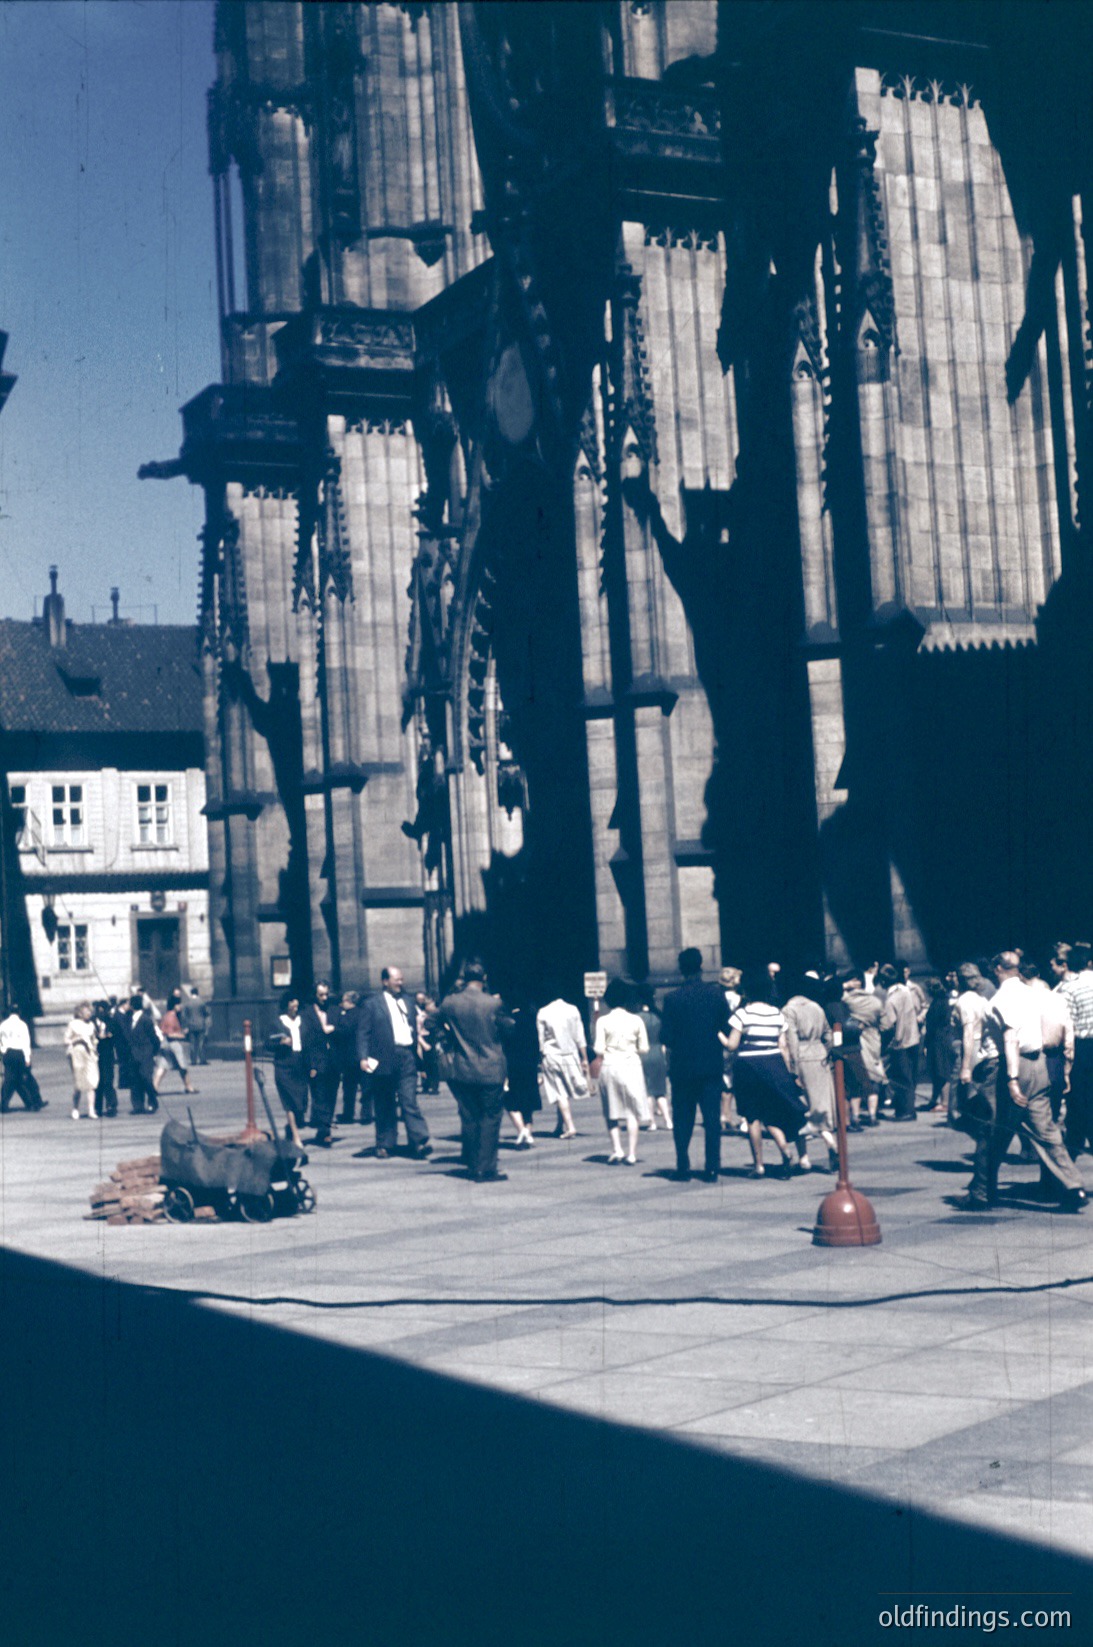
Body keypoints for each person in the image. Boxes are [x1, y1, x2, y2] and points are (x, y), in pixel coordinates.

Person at [957, 951, 1086, 1212]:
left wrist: (1013, 1079)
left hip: (1011, 1067)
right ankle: (1073, 1185)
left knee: (991, 1131)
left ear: (996, 969)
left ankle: (981, 1192)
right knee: (1045, 1130)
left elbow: (1011, 1038)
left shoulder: (1001, 998)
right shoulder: (1033, 993)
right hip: (1039, 1064)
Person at [427, 961, 510, 1181]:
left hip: (462, 1068)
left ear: (464, 978)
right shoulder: (493, 1003)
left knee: (470, 1117)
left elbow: (430, 1022)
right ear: (484, 978)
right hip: (491, 1068)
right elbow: (507, 1029)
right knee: (491, 1118)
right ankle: (486, 1168)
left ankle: (474, 1165)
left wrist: (447, 1039)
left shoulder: (450, 1002)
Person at [722, 967, 808, 1178]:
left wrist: (718, 1035)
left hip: (748, 1066)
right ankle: (785, 1149)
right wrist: (789, 1073)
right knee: (772, 1113)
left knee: (752, 1117)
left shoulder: (743, 1013)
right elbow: (783, 1046)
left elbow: (732, 1045)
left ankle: (758, 1165)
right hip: (774, 1064)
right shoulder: (776, 1013)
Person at [659, 947, 729, 1183]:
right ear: (701, 966)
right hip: (711, 1065)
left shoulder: (672, 999)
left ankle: (683, 1165)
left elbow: (665, 1036)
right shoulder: (716, 995)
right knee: (711, 1119)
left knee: (683, 1118)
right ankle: (711, 1168)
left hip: (682, 1068)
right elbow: (726, 1027)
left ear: (681, 968)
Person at [355, 966, 432, 1160]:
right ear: (385, 981)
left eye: (401, 979)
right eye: (396, 979)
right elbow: (362, 1033)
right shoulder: (372, 1004)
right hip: (383, 1057)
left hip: (407, 1056)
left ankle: (419, 1141)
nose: (400, 983)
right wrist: (363, 1057)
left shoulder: (408, 1000)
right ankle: (385, 1143)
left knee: (409, 1100)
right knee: (384, 1102)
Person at [782, 974, 839, 1171]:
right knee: (820, 1107)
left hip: (803, 1058)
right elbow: (828, 1035)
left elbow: (792, 1040)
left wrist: (793, 1069)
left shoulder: (789, 1010)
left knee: (800, 1109)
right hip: (820, 1055)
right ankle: (830, 1141)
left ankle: (804, 1158)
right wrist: (827, 1052)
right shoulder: (817, 1008)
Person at [594, 980, 651, 1165]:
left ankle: (617, 1149)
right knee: (631, 1111)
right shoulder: (636, 1020)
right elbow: (644, 1048)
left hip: (610, 1066)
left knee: (611, 1110)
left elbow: (598, 1048)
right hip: (631, 1065)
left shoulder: (602, 1020)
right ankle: (632, 1153)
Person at [1057, 943, 1093, 1160]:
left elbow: (1065, 1023)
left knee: (1078, 1098)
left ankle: (1075, 1142)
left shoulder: (1068, 989)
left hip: (1082, 1048)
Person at [536, 993, 590, 1140]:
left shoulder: (543, 1012)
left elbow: (541, 1041)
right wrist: (584, 1058)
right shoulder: (573, 1010)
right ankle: (560, 1125)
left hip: (552, 1055)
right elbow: (580, 1036)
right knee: (564, 1092)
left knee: (559, 1092)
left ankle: (570, 1126)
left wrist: (540, 1061)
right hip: (571, 1055)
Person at [839, 971, 886, 1128]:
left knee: (858, 1079)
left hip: (857, 1040)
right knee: (874, 1076)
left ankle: (855, 1116)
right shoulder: (875, 1001)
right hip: (874, 1037)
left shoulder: (847, 1000)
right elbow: (885, 1023)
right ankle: (873, 1115)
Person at [876, 963, 919, 1120]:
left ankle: (905, 1111)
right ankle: (910, 1108)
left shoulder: (891, 1000)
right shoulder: (905, 992)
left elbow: (888, 1025)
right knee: (910, 1078)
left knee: (901, 1078)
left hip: (899, 1043)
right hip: (913, 1039)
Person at [301, 981, 339, 1147]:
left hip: (334, 1061)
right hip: (317, 1061)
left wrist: (334, 1029)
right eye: (321, 995)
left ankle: (325, 1123)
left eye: (326, 994)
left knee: (331, 1095)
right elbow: (307, 1041)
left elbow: (345, 1028)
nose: (324, 998)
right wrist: (311, 1065)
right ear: (314, 996)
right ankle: (324, 1130)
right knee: (319, 1095)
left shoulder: (334, 1009)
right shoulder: (306, 1014)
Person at [266, 993, 307, 1147]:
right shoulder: (277, 1023)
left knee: (301, 1102)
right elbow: (267, 1044)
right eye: (292, 1007)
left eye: (297, 1007)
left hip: (300, 1065)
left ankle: (291, 1128)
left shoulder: (302, 1022)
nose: (295, 1010)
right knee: (290, 1101)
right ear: (286, 1006)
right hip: (284, 1066)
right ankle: (296, 1137)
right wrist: (281, 1042)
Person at [502, 997, 541, 1147]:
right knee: (528, 1102)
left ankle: (521, 1130)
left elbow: (505, 1045)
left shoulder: (509, 1022)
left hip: (514, 1065)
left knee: (510, 1099)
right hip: (530, 1066)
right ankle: (528, 1132)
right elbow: (537, 1045)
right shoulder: (532, 1021)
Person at [638, 987, 672, 1131]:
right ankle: (668, 1120)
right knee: (660, 1090)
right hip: (658, 1052)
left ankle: (651, 1121)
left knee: (647, 1090)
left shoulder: (637, 1017)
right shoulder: (659, 1016)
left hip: (643, 1053)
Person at [922, 976, 957, 1115]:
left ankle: (945, 1102)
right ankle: (936, 1099)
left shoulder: (938, 1003)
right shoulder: (943, 1001)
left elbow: (932, 1026)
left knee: (942, 1071)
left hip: (938, 1040)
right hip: (942, 1038)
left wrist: (926, 1043)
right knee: (938, 1071)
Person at [0, 1003, 45, 1112]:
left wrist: (3, 1052)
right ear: (19, 1012)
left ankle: (5, 1104)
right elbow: (26, 1042)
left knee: (10, 1079)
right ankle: (34, 1101)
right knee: (24, 1077)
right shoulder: (22, 1025)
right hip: (19, 1053)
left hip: (8, 1053)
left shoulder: (3, 1025)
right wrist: (27, 1058)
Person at [155, 990, 198, 1095]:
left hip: (164, 1044)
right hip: (173, 1044)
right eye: (179, 1004)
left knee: (163, 1066)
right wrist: (182, 1035)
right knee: (183, 1066)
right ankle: (189, 1087)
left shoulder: (166, 1015)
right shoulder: (172, 1016)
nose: (180, 1006)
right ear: (175, 1006)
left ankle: (154, 1087)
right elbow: (170, 1034)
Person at [333, 990, 366, 1125]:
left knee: (349, 1088)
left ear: (350, 1002)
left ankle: (348, 1114)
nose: (342, 1004)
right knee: (365, 1086)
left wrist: (334, 1028)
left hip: (349, 1056)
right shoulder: (363, 1013)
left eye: (344, 1001)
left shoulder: (348, 1015)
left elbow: (343, 1031)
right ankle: (367, 1113)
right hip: (362, 1054)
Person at [64, 1002, 100, 1120]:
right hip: (77, 1053)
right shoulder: (73, 1024)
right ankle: (75, 1108)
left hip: (89, 1054)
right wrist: (76, 1040)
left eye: (90, 1011)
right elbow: (66, 1039)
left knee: (91, 1081)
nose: (89, 1013)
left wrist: (95, 1046)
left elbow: (94, 1040)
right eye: (86, 1011)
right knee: (79, 1083)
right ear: (80, 1013)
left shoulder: (91, 1025)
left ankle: (91, 1109)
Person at [126, 994, 160, 1114]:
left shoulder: (146, 1019)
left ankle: (152, 1102)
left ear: (132, 1005)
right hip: (133, 1054)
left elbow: (154, 1038)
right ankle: (138, 1106)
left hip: (145, 1054)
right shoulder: (129, 1019)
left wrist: (153, 1052)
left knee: (146, 1078)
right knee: (135, 1080)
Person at [92, 1000, 117, 1118]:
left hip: (107, 1054)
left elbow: (117, 1036)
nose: (101, 1013)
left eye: (103, 1010)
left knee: (108, 1080)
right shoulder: (91, 1022)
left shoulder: (111, 1021)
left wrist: (109, 1036)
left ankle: (111, 1105)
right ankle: (98, 1107)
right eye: (98, 1010)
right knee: (98, 1082)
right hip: (95, 1056)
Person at [415, 991, 441, 1096]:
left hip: (432, 1038)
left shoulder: (435, 1016)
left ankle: (434, 1085)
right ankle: (426, 1084)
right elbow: (418, 1030)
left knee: (433, 1063)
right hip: (424, 1038)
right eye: (431, 1005)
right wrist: (421, 1042)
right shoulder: (421, 1017)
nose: (434, 1006)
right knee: (424, 1063)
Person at [180, 987, 209, 1066]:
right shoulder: (201, 1002)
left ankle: (193, 1060)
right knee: (201, 1042)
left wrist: (185, 1025)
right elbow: (206, 1012)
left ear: (191, 993)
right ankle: (202, 1060)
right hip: (200, 1024)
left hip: (191, 1025)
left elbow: (183, 1015)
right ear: (197, 993)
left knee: (192, 1043)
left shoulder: (187, 1003)